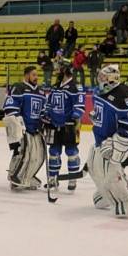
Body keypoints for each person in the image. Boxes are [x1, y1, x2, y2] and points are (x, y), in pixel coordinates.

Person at [86, 64, 128, 217]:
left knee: (111, 171)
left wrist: (120, 141)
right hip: (101, 140)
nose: (100, 79)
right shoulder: (98, 92)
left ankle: (125, 200)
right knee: (93, 166)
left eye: (104, 77)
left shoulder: (123, 94)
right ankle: (105, 194)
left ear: (112, 79)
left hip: (120, 142)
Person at [2, 65, 46, 191]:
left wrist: (43, 120)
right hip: (23, 128)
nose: (36, 77)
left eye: (37, 75)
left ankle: (28, 176)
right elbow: (10, 105)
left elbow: (44, 109)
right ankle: (15, 176)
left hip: (35, 129)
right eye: (33, 75)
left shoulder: (41, 91)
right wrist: (17, 123)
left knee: (37, 155)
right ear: (26, 75)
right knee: (22, 153)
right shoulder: (19, 87)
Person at [42, 65, 85, 193]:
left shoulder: (76, 87)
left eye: (59, 70)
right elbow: (49, 103)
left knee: (72, 152)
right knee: (54, 152)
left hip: (70, 126)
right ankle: (53, 179)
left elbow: (80, 105)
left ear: (65, 72)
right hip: (54, 125)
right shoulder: (56, 86)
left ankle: (72, 179)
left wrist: (74, 118)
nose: (56, 72)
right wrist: (46, 115)